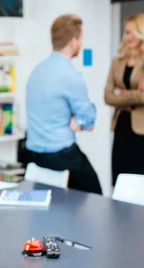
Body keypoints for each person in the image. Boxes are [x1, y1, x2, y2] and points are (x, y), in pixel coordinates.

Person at [24, 14, 102, 195]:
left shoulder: (37, 70)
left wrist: (79, 120)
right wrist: (81, 120)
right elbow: (88, 121)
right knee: (97, 198)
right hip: (61, 157)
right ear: (74, 41)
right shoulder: (70, 75)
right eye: (81, 38)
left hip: (34, 157)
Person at [105, 13, 144, 184]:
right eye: (126, 32)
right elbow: (107, 96)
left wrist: (121, 94)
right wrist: (134, 94)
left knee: (141, 183)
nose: (128, 37)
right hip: (122, 124)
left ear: (143, 33)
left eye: (133, 32)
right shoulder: (117, 61)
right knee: (119, 180)